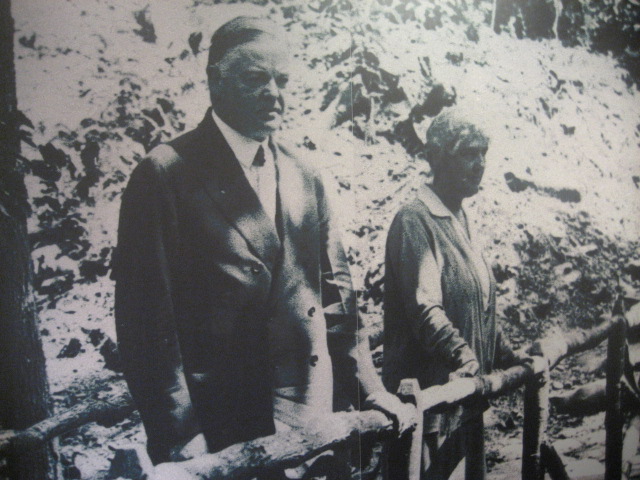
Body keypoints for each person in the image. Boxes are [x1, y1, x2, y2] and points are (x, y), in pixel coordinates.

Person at [113, 15, 415, 473]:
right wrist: (182, 435)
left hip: (313, 415)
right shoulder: (166, 174)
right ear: (215, 81)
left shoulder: (304, 174)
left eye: (282, 80)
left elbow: (338, 300)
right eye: (256, 79)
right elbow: (146, 328)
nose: (274, 93)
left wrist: (370, 388)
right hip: (224, 428)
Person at [382, 107, 524, 479]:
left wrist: (508, 354)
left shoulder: (459, 218)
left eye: (483, 153)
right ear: (437, 158)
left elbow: (479, 304)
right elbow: (424, 308)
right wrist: (464, 357)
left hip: (464, 398)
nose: (479, 164)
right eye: (467, 153)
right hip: (428, 406)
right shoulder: (415, 220)